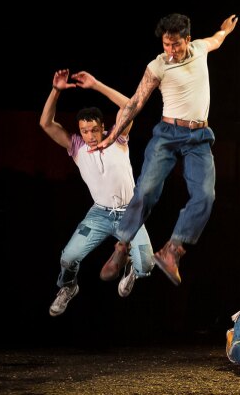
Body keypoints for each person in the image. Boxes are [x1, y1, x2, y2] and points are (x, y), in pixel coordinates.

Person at [94, 12, 239, 286]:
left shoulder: (200, 49)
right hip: (168, 135)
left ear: (187, 40)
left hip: (199, 137)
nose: (171, 51)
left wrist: (225, 30)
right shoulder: (158, 66)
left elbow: (216, 40)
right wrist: (112, 135)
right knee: (147, 189)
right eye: (166, 45)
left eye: (176, 45)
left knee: (206, 196)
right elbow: (136, 102)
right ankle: (121, 246)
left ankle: (173, 250)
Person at [39, 69, 154, 316]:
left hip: (130, 213)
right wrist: (56, 90)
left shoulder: (117, 136)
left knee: (147, 265)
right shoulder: (76, 147)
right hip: (99, 214)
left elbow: (130, 104)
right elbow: (46, 124)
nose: (89, 136)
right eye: (84, 131)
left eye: (93, 130)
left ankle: (132, 266)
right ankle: (68, 287)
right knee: (68, 258)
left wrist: (96, 85)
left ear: (103, 127)